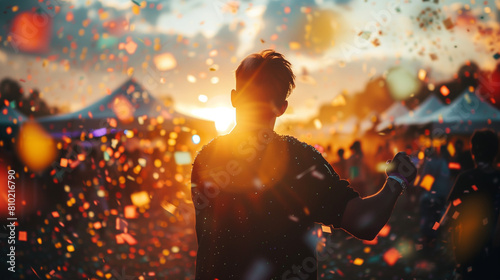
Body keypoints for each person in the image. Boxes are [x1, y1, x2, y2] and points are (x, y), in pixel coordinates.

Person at [190, 50, 417, 280]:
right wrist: (397, 180)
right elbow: (364, 223)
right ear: (282, 107)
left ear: (234, 97)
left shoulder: (206, 158)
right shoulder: (299, 159)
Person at [443, 129, 500, 280]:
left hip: (469, 253)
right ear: (496, 152)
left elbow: (450, 217)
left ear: (473, 151)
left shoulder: (466, 179)